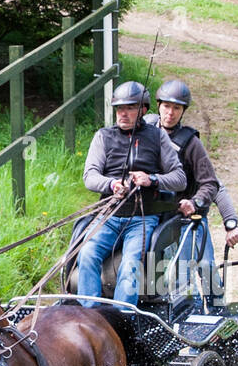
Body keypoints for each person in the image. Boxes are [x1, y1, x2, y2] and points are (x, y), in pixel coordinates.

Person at [77, 80, 187, 307]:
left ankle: (121, 318)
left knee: (130, 266)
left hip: (142, 219)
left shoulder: (158, 137)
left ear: (144, 110)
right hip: (108, 215)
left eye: (129, 108)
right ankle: (90, 313)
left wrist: (152, 180)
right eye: (119, 108)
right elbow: (90, 176)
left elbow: (179, 178)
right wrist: (112, 185)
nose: (123, 114)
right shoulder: (103, 137)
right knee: (86, 253)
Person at [146, 79, 238, 299]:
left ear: (183, 111)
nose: (170, 113)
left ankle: (217, 312)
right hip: (156, 217)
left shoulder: (190, 143)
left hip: (187, 218)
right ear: (158, 105)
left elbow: (214, 184)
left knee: (205, 268)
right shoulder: (147, 130)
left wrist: (229, 222)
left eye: (176, 108)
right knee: (161, 276)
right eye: (166, 106)